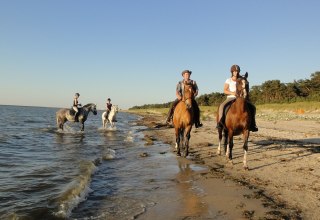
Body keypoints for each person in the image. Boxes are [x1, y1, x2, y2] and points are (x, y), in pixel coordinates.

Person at [216, 64, 258, 132]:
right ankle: (220, 122)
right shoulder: (228, 80)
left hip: (241, 98)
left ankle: (253, 124)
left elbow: (245, 85)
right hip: (231, 97)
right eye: (234, 71)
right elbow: (225, 90)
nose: (236, 72)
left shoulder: (241, 79)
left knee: (253, 107)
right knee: (222, 106)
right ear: (232, 72)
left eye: (237, 71)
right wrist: (233, 93)